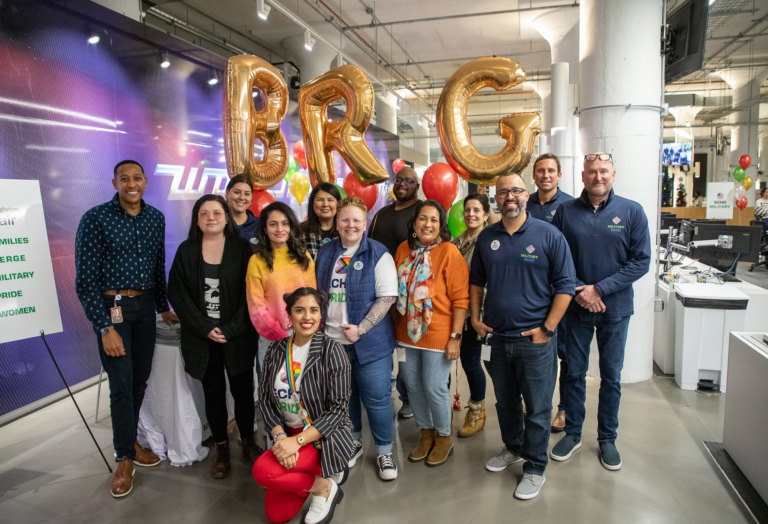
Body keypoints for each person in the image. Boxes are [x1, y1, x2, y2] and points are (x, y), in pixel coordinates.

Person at [74, 159, 178, 498]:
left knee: (138, 381)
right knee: (120, 385)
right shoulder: (96, 218)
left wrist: (163, 307)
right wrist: (105, 328)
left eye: (137, 178)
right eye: (124, 179)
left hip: (145, 308)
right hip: (112, 311)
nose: (131, 184)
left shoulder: (155, 218)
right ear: (115, 182)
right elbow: (85, 282)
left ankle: (129, 440)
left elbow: (157, 266)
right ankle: (124, 458)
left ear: (145, 181)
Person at [470, 173, 575, 500]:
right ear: (496, 199)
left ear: (526, 194)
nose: (510, 197)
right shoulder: (487, 237)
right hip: (497, 339)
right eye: (503, 192)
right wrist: (475, 318)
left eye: (515, 190)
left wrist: (547, 329)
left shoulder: (549, 235)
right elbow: (476, 282)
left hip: (536, 342)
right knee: (505, 402)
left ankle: (534, 466)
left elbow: (566, 287)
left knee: (539, 406)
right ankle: (513, 447)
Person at [551, 152, 651, 472]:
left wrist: (600, 289)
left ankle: (607, 438)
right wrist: (582, 289)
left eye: (604, 171)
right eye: (592, 172)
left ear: (613, 174)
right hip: (576, 309)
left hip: (616, 310)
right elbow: (557, 259)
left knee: (611, 378)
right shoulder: (565, 212)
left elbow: (640, 261)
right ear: (582, 176)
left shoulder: (632, 212)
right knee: (574, 374)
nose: (598, 177)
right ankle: (573, 433)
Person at [168, 195, 261, 480]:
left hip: (238, 335)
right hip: (202, 338)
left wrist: (231, 329)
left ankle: (247, 440)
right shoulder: (186, 251)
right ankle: (221, 446)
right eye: (204, 213)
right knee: (213, 393)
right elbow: (177, 294)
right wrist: (204, 327)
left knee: (244, 392)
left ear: (226, 217)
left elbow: (253, 293)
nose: (211, 217)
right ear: (197, 218)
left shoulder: (242, 248)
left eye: (217, 213)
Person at [315, 196, 399, 480]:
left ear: (365, 224)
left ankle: (385, 452)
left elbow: (386, 297)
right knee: (344, 397)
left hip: (370, 344)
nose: (350, 225)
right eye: (345, 219)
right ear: (337, 223)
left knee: (377, 400)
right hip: (332, 343)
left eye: (356, 220)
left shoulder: (378, 253)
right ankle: (353, 442)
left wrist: (361, 328)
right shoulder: (325, 254)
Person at [253, 288, 353, 524]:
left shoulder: (333, 351)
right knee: (277, 516)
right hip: (286, 435)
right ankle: (319, 480)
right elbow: (265, 399)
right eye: (299, 310)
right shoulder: (276, 349)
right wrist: (280, 438)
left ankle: (324, 488)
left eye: (313, 310)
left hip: (322, 437)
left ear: (320, 315)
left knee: (263, 471)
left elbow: (338, 410)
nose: (307, 317)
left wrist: (297, 442)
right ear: (289, 315)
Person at [393, 200, 469, 468]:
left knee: (434, 387)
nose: (428, 224)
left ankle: (444, 438)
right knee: (413, 387)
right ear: (414, 224)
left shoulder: (449, 252)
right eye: (423, 219)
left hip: (438, 334)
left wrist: (455, 338)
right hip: (406, 335)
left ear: (441, 225)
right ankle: (426, 435)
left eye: (434, 220)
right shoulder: (403, 249)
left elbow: (461, 300)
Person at [369, 166, 422, 419]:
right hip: (378, 292)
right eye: (398, 180)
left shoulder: (421, 212)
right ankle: (384, 393)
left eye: (408, 180)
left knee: (406, 352)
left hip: (409, 294)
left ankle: (409, 397)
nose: (402, 184)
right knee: (383, 347)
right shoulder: (381, 214)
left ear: (417, 187)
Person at [527, 153, 575, 433]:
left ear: (559, 176)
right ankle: (535, 402)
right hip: (533, 294)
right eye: (540, 171)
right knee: (536, 352)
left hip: (562, 293)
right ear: (533, 176)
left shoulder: (570, 205)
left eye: (551, 171)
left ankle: (564, 408)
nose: (545, 175)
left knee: (565, 354)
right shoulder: (525, 204)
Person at [246, 202, 316, 372]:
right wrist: (279, 334)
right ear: (264, 229)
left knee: (305, 391)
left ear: (291, 226)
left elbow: (312, 298)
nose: (280, 229)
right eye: (273, 224)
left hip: (303, 333)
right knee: (273, 391)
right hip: (272, 337)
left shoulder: (303, 256)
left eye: (285, 223)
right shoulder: (256, 261)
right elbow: (256, 307)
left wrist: (306, 330)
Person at [451, 193, 491, 438]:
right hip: (458, 312)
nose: (471, 214)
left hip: (480, 312)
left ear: (486, 214)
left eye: (477, 210)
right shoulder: (457, 242)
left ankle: (477, 410)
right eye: (468, 210)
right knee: (468, 361)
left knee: (474, 363)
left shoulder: (489, 241)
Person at [300, 183, 342, 259]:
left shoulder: (345, 232)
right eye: (320, 199)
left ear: (338, 204)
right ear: (312, 203)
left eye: (330, 200)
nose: (325, 204)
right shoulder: (299, 232)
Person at [225, 175, 259, 248]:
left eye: (247, 194)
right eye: (237, 192)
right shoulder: (215, 223)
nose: (242, 198)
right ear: (227, 193)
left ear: (251, 197)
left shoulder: (260, 225)